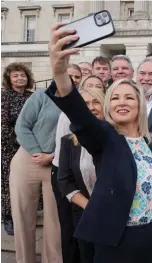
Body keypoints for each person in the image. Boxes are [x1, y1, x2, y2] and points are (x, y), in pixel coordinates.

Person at [47, 23, 152, 262]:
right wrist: (59, 72)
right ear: (109, 106)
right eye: (116, 98)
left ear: (140, 104)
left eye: (130, 97)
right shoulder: (105, 138)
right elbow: (80, 115)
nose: (122, 102)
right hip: (118, 242)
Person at [51, 75, 105, 263]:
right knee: (87, 256)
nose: (91, 107)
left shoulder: (116, 139)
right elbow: (64, 180)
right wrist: (88, 206)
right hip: (83, 212)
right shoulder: (68, 142)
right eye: (85, 103)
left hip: (113, 214)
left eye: (96, 102)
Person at [10, 84, 62, 262]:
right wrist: (37, 151)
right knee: (22, 217)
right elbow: (22, 126)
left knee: (55, 221)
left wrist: (52, 156)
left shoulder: (78, 102)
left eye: (77, 77)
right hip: (27, 158)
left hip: (55, 163)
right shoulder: (41, 95)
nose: (73, 80)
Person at [1, 63, 34, 235]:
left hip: (30, 145)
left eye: (23, 75)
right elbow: (3, 124)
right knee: (8, 183)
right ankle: (8, 217)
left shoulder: (31, 96)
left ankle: (27, 215)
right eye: (15, 76)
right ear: (9, 78)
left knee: (26, 184)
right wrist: (18, 143)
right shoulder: (4, 96)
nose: (20, 78)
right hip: (9, 147)